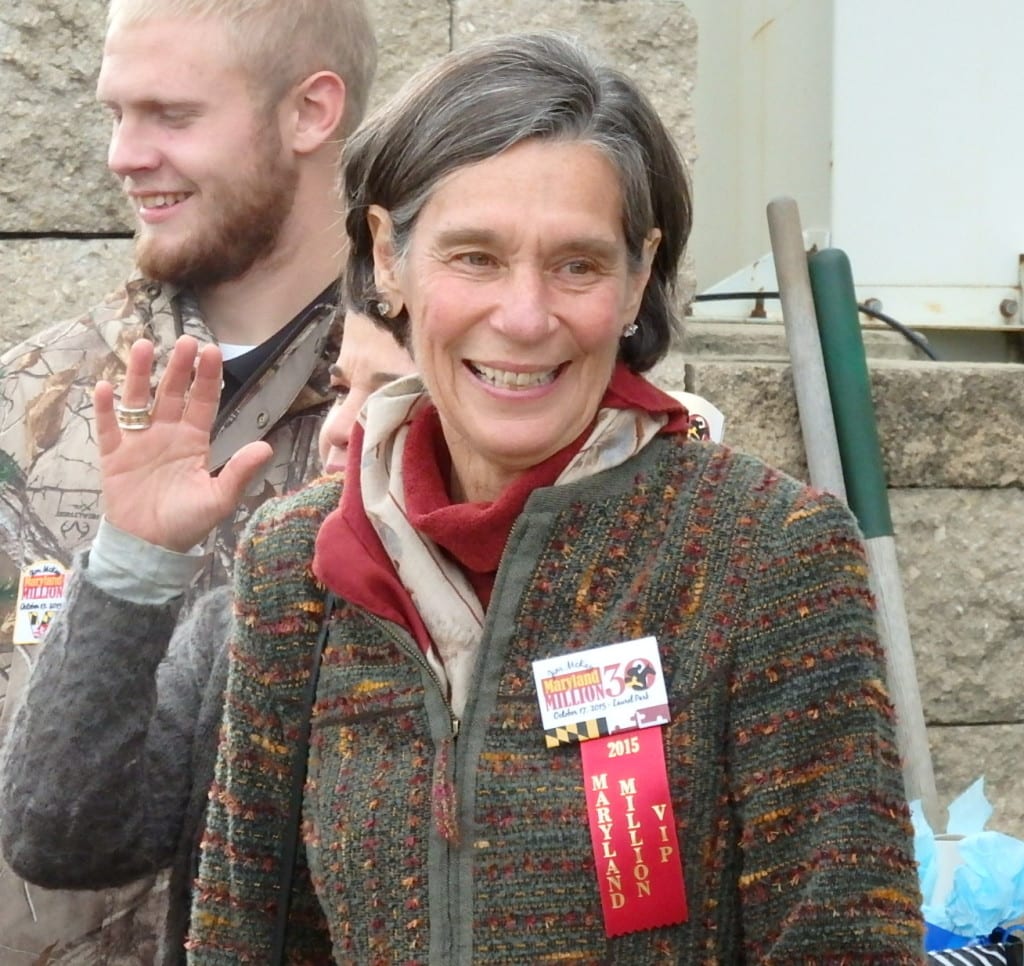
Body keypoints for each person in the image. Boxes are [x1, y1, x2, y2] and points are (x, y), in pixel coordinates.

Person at [24, 30, 924, 963]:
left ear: (637, 278)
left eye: (577, 264)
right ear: (387, 260)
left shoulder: (769, 555)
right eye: (476, 257)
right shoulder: (303, 565)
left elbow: (843, 940)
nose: (526, 316)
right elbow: (241, 935)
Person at [0, 0, 375, 961]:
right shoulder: (24, 413)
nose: (125, 155)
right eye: (115, 113)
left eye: (170, 115)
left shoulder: (422, 409)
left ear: (310, 112)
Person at [0, 312, 417, 965]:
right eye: (340, 390)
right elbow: (59, 838)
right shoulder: (242, 629)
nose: (338, 428)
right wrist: (134, 562)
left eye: (390, 394)